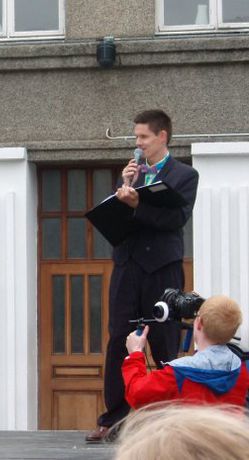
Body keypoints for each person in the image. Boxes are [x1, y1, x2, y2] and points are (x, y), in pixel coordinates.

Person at [87, 109, 200, 442]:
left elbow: (176, 220)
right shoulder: (131, 175)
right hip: (127, 266)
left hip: (162, 268)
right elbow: (118, 220)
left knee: (164, 339)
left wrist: (139, 205)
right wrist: (123, 190)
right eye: (136, 137)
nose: (138, 144)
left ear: (162, 136)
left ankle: (166, 420)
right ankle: (114, 419)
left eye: (143, 137)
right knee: (119, 339)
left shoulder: (185, 175)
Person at [122, 295, 249, 408]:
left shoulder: (178, 373)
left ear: (199, 323)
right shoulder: (241, 371)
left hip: (189, 428)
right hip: (228, 428)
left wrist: (135, 354)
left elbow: (136, 395)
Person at [114, 404, 249, 460]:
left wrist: (134, 357)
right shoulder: (240, 369)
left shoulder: (177, 370)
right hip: (226, 430)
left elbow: (138, 391)